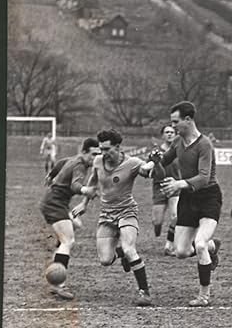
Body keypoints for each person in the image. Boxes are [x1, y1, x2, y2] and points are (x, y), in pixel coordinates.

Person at [72, 129, 162, 307]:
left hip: (127, 211)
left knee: (130, 249)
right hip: (106, 214)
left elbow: (151, 173)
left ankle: (144, 292)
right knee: (105, 260)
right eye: (101, 149)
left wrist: (155, 163)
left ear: (118, 147)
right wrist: (84, 204)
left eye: (107, 149)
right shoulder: (98, 161)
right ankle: (119, 252)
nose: (103, 154)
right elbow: (92, 183)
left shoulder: (133, 163)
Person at [156, 101, 222, 307]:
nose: (173, 126)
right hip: (188, 199)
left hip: (208, 197)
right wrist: (149, 164)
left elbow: (203, 178)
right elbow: (163, 161)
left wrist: (179, 184)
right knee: (181, 252)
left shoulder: (204, 145)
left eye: (175, 122)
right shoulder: (177, 142)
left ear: (188, 119)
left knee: (199, 244)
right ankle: (213, 246)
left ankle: (204, 296)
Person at [40, 137, 100, 300]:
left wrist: (51, 175)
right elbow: (75, 185)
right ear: (85, 152)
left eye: (98, 154)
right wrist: (88, 190)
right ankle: (58, 285)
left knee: (76, 225)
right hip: (55, 204)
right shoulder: (80, 164)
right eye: (93, 154)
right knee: (68, 241)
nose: (96, 158)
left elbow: (60, 162)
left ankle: (57, 255)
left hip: (56, 202)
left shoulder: (76, 158)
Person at [151, 125, 181, 256]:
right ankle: (157, 228)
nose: (169, 134)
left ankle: (169, 245)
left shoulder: (180, 150)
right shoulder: (156, 152)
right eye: (167, 132)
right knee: (157, 221)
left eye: (172, 132)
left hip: (175, 187)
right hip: (159, 188)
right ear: (162, 135)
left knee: (175, 216)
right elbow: (151, 171)